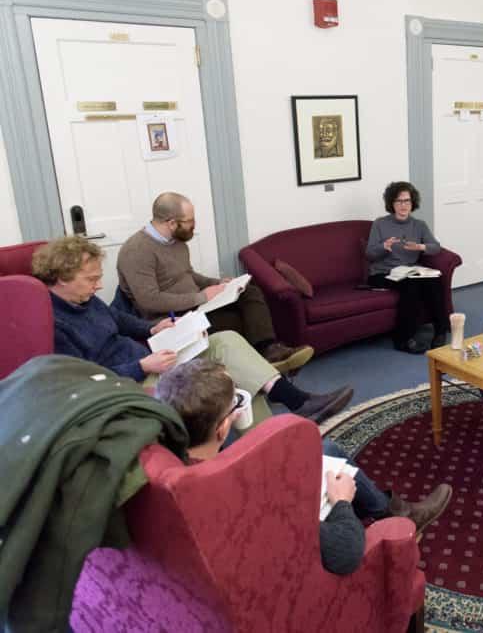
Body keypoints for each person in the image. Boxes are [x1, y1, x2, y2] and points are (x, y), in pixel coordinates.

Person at [156, 359, 453, 575]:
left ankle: (391, 511)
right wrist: (341, 504)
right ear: (222, 428)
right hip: (302, 561)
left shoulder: (164, 462)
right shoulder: (245, 501)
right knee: (338, 474)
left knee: (326, 450)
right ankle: (397, 521)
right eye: (236, 403)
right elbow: (344, 555)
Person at [34, 236, 351, 424]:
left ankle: (293, 403)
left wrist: (152, 326)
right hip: (133, 379)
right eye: (91, 279)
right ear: (61, 277)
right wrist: (141, 366)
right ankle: (277, 427)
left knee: (225, 340)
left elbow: (119, 320)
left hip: (153, 356)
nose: (98, 284)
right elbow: (88, 380)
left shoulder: (86, 300)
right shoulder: (52, 324)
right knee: (231, 380)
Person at [116, 192, 313, 372]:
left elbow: (188, 274)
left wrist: (219, 284)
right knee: (237, 322)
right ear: (171, 223)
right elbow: (149, 301)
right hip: (171, 320)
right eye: (190, 221)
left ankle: (269, 350)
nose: (194, 226)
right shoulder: (136, 251)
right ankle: (269, 366)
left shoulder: (176, 242)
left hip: (196, 306)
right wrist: (201, 296)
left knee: (249, 292)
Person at [366, 181, 449, 354]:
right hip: (383, 273)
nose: (403, 205)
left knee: (435, 280)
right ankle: (403, 339)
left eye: (407, 201)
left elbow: (436, 247)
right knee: (411, 286)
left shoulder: (419, 225)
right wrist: (384, 247)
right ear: (391, 204)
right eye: (399, 201)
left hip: (410, 271)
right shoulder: (380, 224)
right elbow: (370, 254)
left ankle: (440, 331)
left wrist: (421, 247)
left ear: (413, 203)